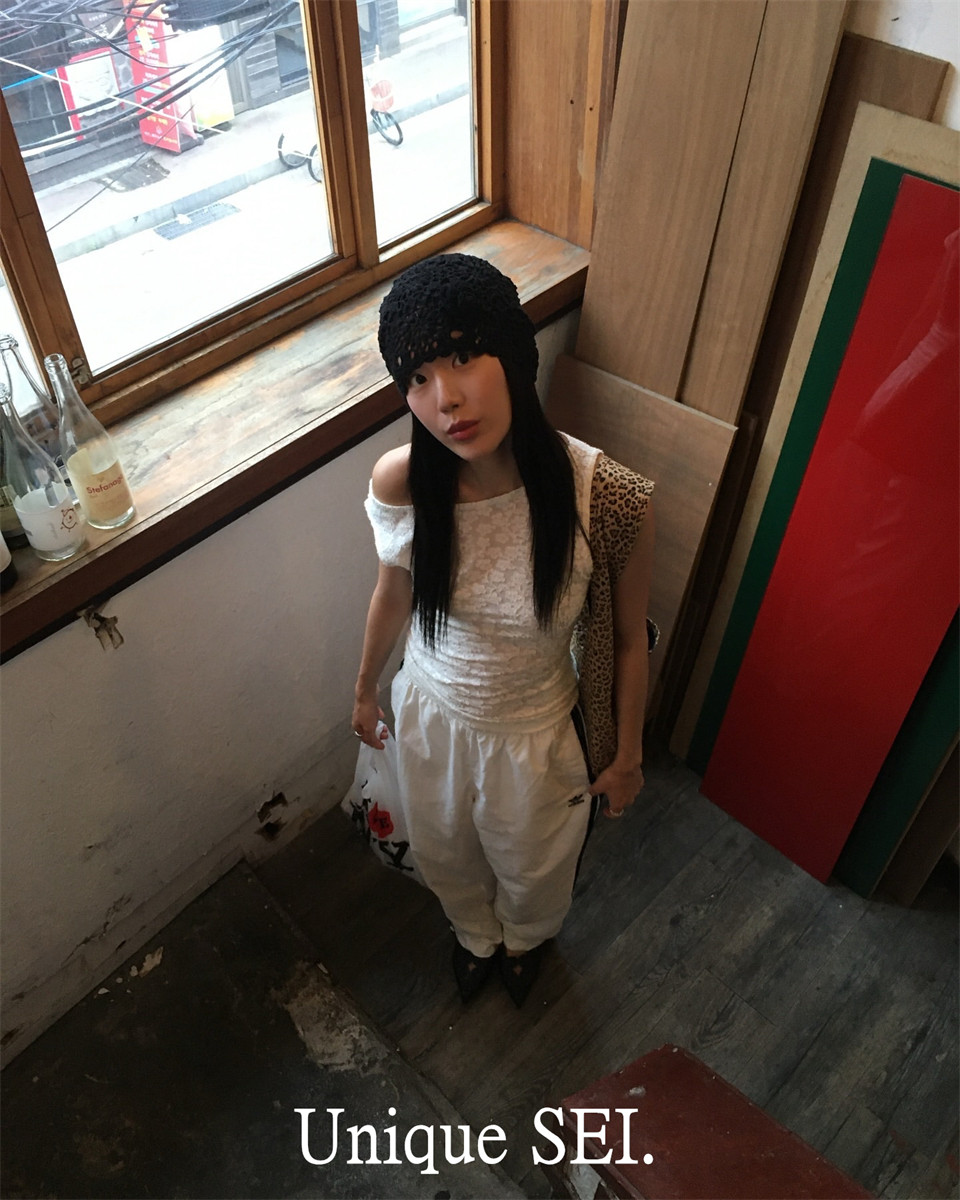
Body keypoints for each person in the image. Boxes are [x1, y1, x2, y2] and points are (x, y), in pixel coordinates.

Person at [350, 253, 655, 1006]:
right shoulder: (402, 481)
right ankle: (473, 935)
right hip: (430, 715)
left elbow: (627, 641)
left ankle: (523, 939)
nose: (445, 399)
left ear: (514, 357)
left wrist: (628, 757)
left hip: (536, 735)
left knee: (535, 864)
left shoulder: (604, 496)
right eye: (418, 377)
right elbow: (393, 588)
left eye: (462, 357)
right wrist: (364, 689)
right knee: (445, 850)